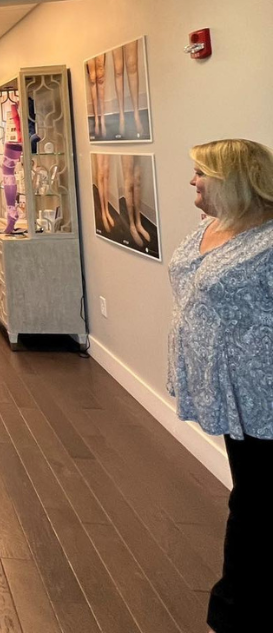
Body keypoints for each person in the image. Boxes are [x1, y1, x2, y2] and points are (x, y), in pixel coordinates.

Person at [167, 139, 273, 633]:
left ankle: (233, 609)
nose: (192, 180)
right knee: (251, 496)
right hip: (229, 391)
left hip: (263, 392)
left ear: (231, 179)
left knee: (252, 503)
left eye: (200, 173)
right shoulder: (212, 225)